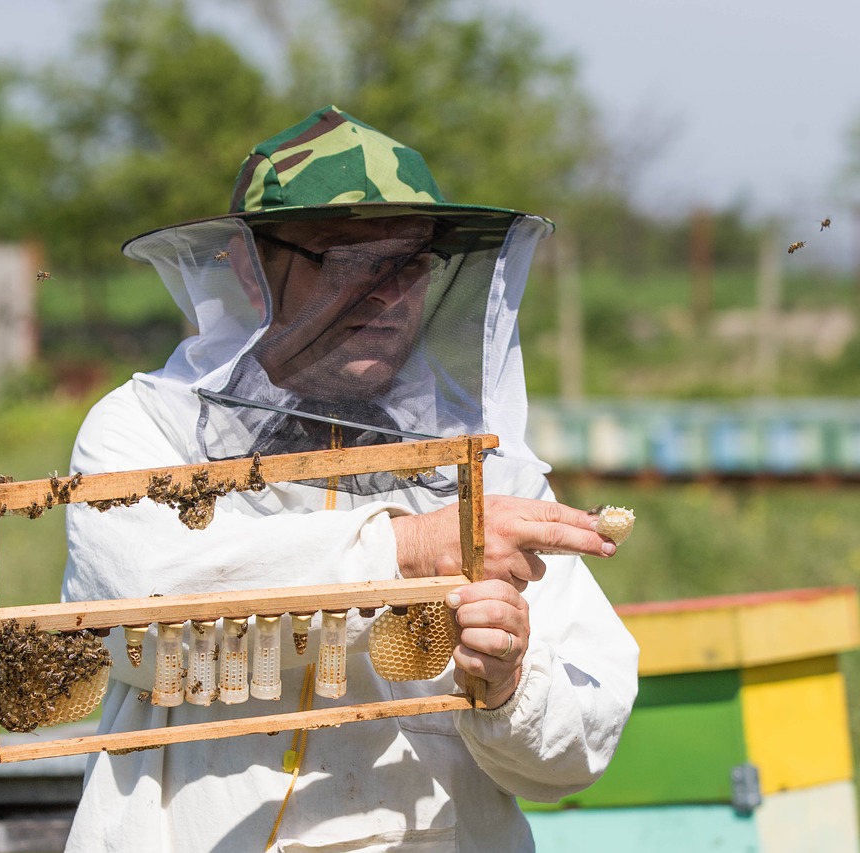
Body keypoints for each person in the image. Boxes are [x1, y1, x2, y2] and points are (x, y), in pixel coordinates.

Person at [60, 105, 638, 852]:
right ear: (249, 266)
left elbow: (582, 742)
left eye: (409, 263)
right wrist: (403, 552)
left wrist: (509, 687)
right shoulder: (143, 432)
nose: (385, 292)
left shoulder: (483, 468)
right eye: (347, 261)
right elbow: (143, 621)